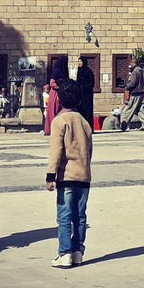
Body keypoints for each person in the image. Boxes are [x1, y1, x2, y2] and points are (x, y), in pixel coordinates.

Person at [46, 78, 93, 268]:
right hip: (84, 176)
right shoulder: (85, 122)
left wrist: (50, 176)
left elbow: (56, 151)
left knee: (64, 216)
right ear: (79, 100)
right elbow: (89, 151)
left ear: (60, 100)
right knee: (80, 216)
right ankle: (78, 251)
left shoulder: (59, 121)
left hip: (66, 176)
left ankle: (64, 253)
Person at [121, 57, 144, 131]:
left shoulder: (135, 72)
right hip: (143, 92)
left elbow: (133, 83)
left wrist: (127, 86)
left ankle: (124, 123)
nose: (130, 65)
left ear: (133, 63)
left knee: (130, 108)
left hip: (135, 93)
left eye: (130, 64)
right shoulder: (142, 70)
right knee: (142, 109)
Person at [44, 58, 67, 136]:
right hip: (55, 94)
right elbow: (52, 83)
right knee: (54, 111)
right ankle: (51, 129)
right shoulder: (57, 71)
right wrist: (59, 86)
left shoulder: (64, 71)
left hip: (61, 93)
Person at [75, 56, 97, 128]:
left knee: (87, 111)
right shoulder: (77, 71)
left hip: (87, 95)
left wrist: (83, 88)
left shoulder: (88, 71)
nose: (79, 63)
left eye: (81, 61)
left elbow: (91, 83)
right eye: (78, 61)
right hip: (80, 95)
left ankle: (88, 128)